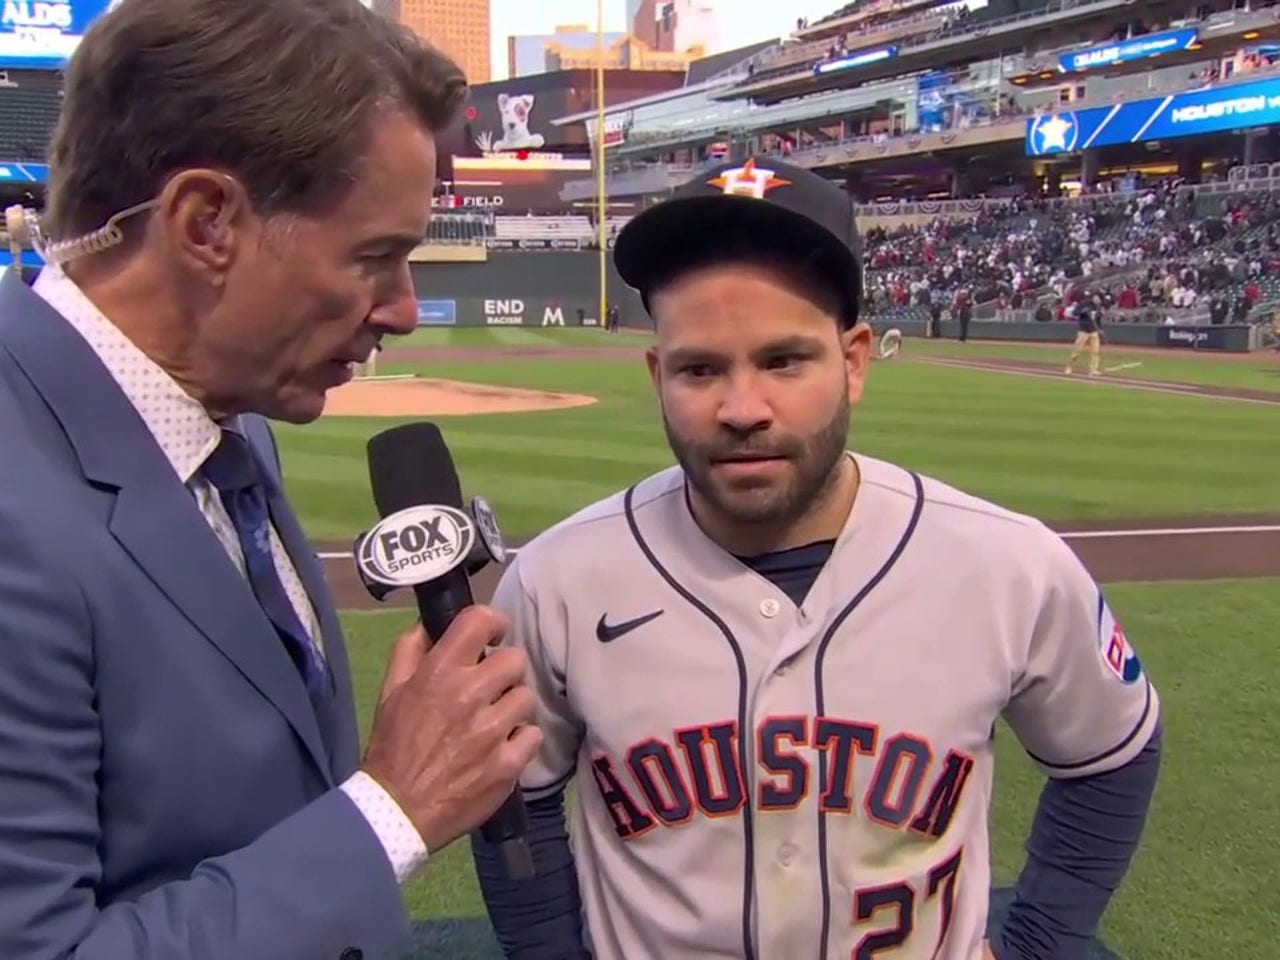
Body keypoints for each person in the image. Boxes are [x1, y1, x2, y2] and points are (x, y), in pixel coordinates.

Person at [473, 157, 1162, 960]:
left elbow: (1114, 751)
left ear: (857, 360)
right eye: (701, 369)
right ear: (658, 376)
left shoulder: (1008, 564)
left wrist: (1040, 947)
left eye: (784, 361)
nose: (742, 409)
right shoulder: (559, 579)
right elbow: (513, 806)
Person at [0, 1, 541, 957]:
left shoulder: (232, 415)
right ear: (207, 223)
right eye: (376, 257)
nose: (406, 311)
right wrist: (395, 809)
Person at [1065, 295, 1104, 375]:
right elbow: (1074, 313)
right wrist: (1082, 311)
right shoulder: (1083, 304)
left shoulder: (1098, 307)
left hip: (1093, 330)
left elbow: (1098, 319)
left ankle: (1093, 369)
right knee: (1077, 350)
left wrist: (1100, 329)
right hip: (1083, 330)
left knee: (1095, 351)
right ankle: (1069, 366)